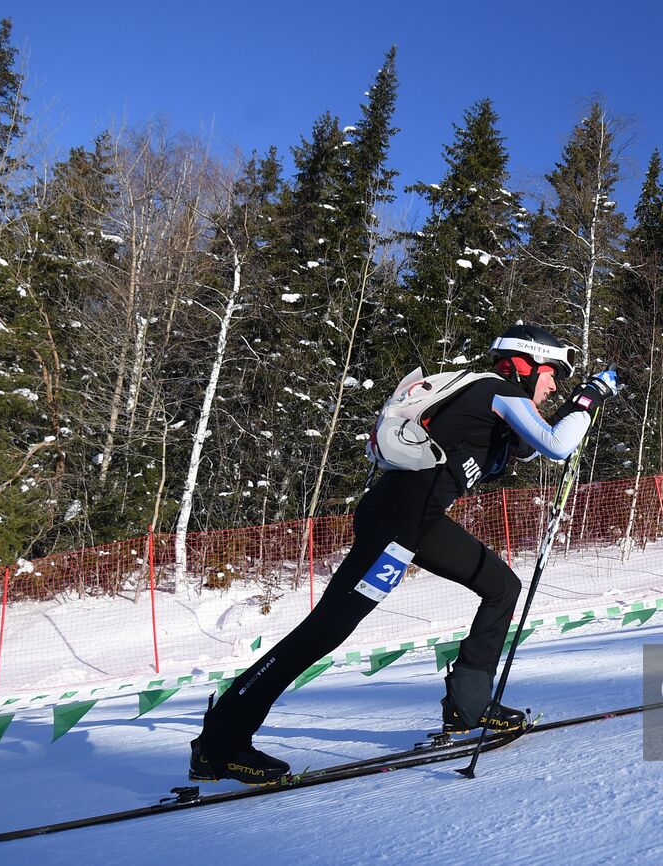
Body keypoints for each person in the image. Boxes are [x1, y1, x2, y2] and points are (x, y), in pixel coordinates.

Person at [190, 324, 620, 784]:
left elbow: (537, 446)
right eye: (552, 372)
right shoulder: (496, 390)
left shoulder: (497, 412)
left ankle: (467, 706)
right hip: (397, 519)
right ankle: (219, 743)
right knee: (326, 630)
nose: (554, 384)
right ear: (523, 364)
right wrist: (589, 397)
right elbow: (556, 444)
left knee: (501, 586)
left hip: (420, 522)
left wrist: (576, 412)